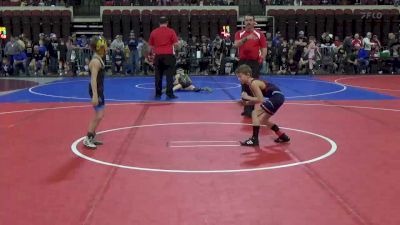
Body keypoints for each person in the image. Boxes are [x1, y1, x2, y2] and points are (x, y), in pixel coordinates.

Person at [236, 64, 290, 146]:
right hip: (278, 97)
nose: (239, 79)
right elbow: (257, 100)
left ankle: (254, 139)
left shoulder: (253, 83)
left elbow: (261, 99)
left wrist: (247, 97)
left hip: (276, 97)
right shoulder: (251, 84)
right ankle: (282, 136)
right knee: (263, 120)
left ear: (248, 75)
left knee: (254, 113)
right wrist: (246, 103)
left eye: (240, 76)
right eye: (238, 77)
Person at [234, 14, 267, 117]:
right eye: (246, 20)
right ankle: (246, 109)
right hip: (243, 62)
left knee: (253, 85)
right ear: (244, 22)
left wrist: (262, 59)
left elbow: (264, 48)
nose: (248, 22)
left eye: (250, 20)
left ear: (254, 22)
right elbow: (236, 45)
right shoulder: (239, 33)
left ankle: (251, 110)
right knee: (244, 85)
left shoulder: (260, 34)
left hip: (254, 62)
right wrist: (246, 38)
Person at [82, 36, 108, 149]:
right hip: (96, 90)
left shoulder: (98, 58)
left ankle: (91, 136)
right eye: (102, 47)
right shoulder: (95, 61)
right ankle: (87, 138)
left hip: (99, 89)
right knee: (99, 115)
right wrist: (95, 96)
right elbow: (93, 79)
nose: (105, 49)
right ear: (98, 48)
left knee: (100, 115)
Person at [149, 16, 179, 99]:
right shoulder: (171, 31)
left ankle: (158, 93)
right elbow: (176, 45)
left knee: (158, 76)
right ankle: (170, 93)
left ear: (159, 23)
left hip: (158, 56)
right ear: (167, 22)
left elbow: (150, 46)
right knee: (169, 76)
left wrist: (151, 57)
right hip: (169, 55)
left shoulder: (154, 32)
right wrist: (175, 50)